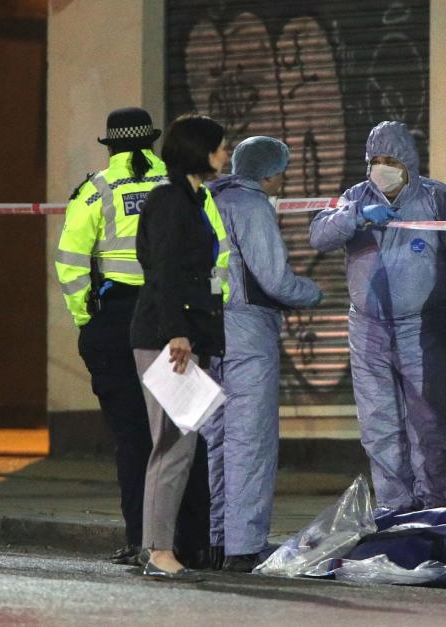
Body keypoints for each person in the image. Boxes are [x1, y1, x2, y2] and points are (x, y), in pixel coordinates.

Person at [55, 107, 210, 567]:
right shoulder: (182, 185)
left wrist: (87, 317)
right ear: (152, 141)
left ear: (112, 145)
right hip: (176, 319)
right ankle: (193, 543)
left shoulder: (97, 188)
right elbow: (215, 247)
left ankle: (142, 541)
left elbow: (70, 261)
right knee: (184, 432)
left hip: (119, 320)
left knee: (134, 437)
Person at [309, 120, 446, 512]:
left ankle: (438, 510)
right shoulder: (355, 199)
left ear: (409, 161)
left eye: (390, 159)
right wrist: (354, 217)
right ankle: (395, 510)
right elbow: (319, 236)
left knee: (431, 425)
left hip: (423, 328)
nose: (381, 167)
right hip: (368, 330)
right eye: (375, 159)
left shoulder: (440, 200)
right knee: (379, 426)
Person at [203, 136, 323, 572]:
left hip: (206, 331)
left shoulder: (208, 198)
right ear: (270, 173)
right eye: (282, 173)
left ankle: (214, 540)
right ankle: (244, 545)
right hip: (246, 333)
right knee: (248, 442)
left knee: (214, 439)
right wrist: (312, 293)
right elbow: (274, 279)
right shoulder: (253, 207)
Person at [130, 113, 231, 580]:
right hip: (167, 339)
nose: (225, 153)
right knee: (173, 446)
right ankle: (158, 550)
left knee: (179, 445)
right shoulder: (171, 201)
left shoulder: (192, 199)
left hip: (182, 336)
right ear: (199, 151)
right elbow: (164, 272)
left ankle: (158, 547)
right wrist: (177, 333)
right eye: (219, 146)